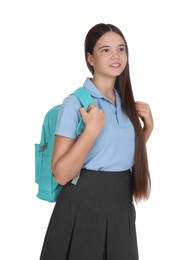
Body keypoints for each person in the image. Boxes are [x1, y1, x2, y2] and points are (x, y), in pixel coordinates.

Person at [39, 23, 154, 260]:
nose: (116, 56)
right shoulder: (76, 103)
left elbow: (120, 157)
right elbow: (61, 174)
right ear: (90, 58)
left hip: (121, 208)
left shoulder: (127, 104)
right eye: (105, 50)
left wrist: (148, 129)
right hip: (82, 209)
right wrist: (91, 130)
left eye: (121, 49)